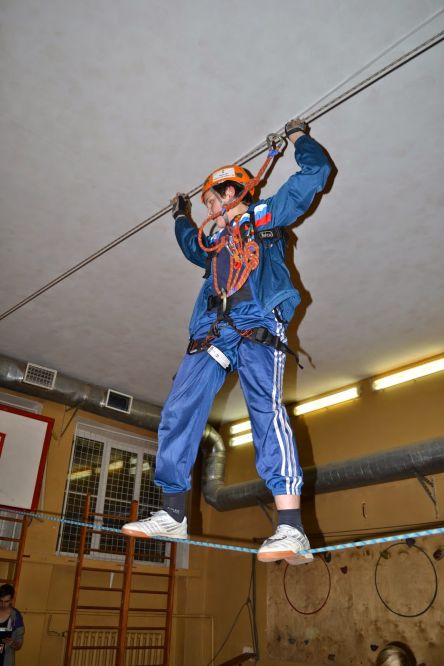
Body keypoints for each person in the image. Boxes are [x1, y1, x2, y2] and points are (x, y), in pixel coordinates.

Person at [122, 118, 331, 564]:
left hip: (257, 322)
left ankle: (291, 527)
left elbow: (315, 174)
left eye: (213, 200)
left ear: (235, 192)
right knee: (179, 407)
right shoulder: (213, 243)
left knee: (264, 409)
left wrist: (298, 137)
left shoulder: (264, 217)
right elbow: (189, 244)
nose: (210, 210)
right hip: (214, 331)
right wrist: (180, 214)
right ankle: (173, 512)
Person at [0, 584, 24, 666]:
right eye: (0, 601)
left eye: (6, 601)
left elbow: (19, 644)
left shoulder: (16, 616)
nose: (3, 604)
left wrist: (13, 643)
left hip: (5, 659)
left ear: (11, 600)